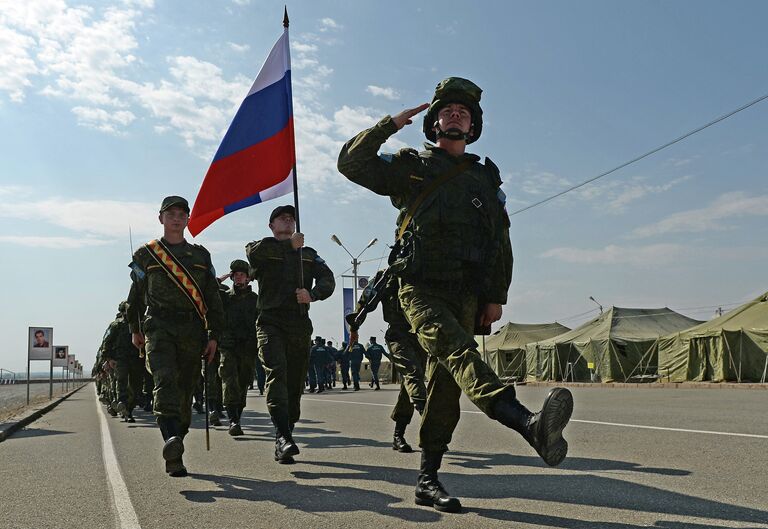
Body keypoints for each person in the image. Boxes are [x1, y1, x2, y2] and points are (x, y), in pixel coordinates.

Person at [338, 77, 574, 512]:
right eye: (447, 109)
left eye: (464, 112)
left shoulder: (484, 180)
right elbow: (351, 163)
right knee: (460, 353)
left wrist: (494, 296)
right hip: (420, 288)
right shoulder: (412, 167)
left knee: (446, 387)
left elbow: (499, 242)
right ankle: (527, 423)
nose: (456, 114)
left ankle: (428, 479)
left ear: (473, 126)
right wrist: (388, 125)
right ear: (432, 123)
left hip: (466, 293)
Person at [126, 196, 225, 477]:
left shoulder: (201, 256)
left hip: (192, 330)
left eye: (182, 213)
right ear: (161, 218)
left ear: (187, 219)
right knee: (164, 380)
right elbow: (135, 295)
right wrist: (135, 329)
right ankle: (171, 445)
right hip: (158, 327)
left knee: (185, 390)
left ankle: (176, 439)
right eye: (171, 213)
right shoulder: (147, 254)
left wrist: (214, 335)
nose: (176, 218)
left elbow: (213, 299)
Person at [246, 205, 335, 464]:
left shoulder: (308, 255)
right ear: (271, 226)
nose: (288, 220)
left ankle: (285, 434)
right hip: (270, 322)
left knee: (295, 383)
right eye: (281, 218)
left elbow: (327, 278)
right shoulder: (262, 247)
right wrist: (289, 247)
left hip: (298, 324)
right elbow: (254, 257)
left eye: (291, 218)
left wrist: (313, 294)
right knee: (278, 372)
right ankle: (284, 436)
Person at [218, 259, 259, 436]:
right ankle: (233, 420)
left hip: (248, 347)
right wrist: (221, 279)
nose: (238, 278)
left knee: (242, 383)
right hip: (228, 346)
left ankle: (237, 417)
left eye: (242, 275)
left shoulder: (255, 299)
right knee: (229, 381)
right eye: (235, 275)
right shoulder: (225, 297)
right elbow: (207, 290)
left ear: (248, 278)